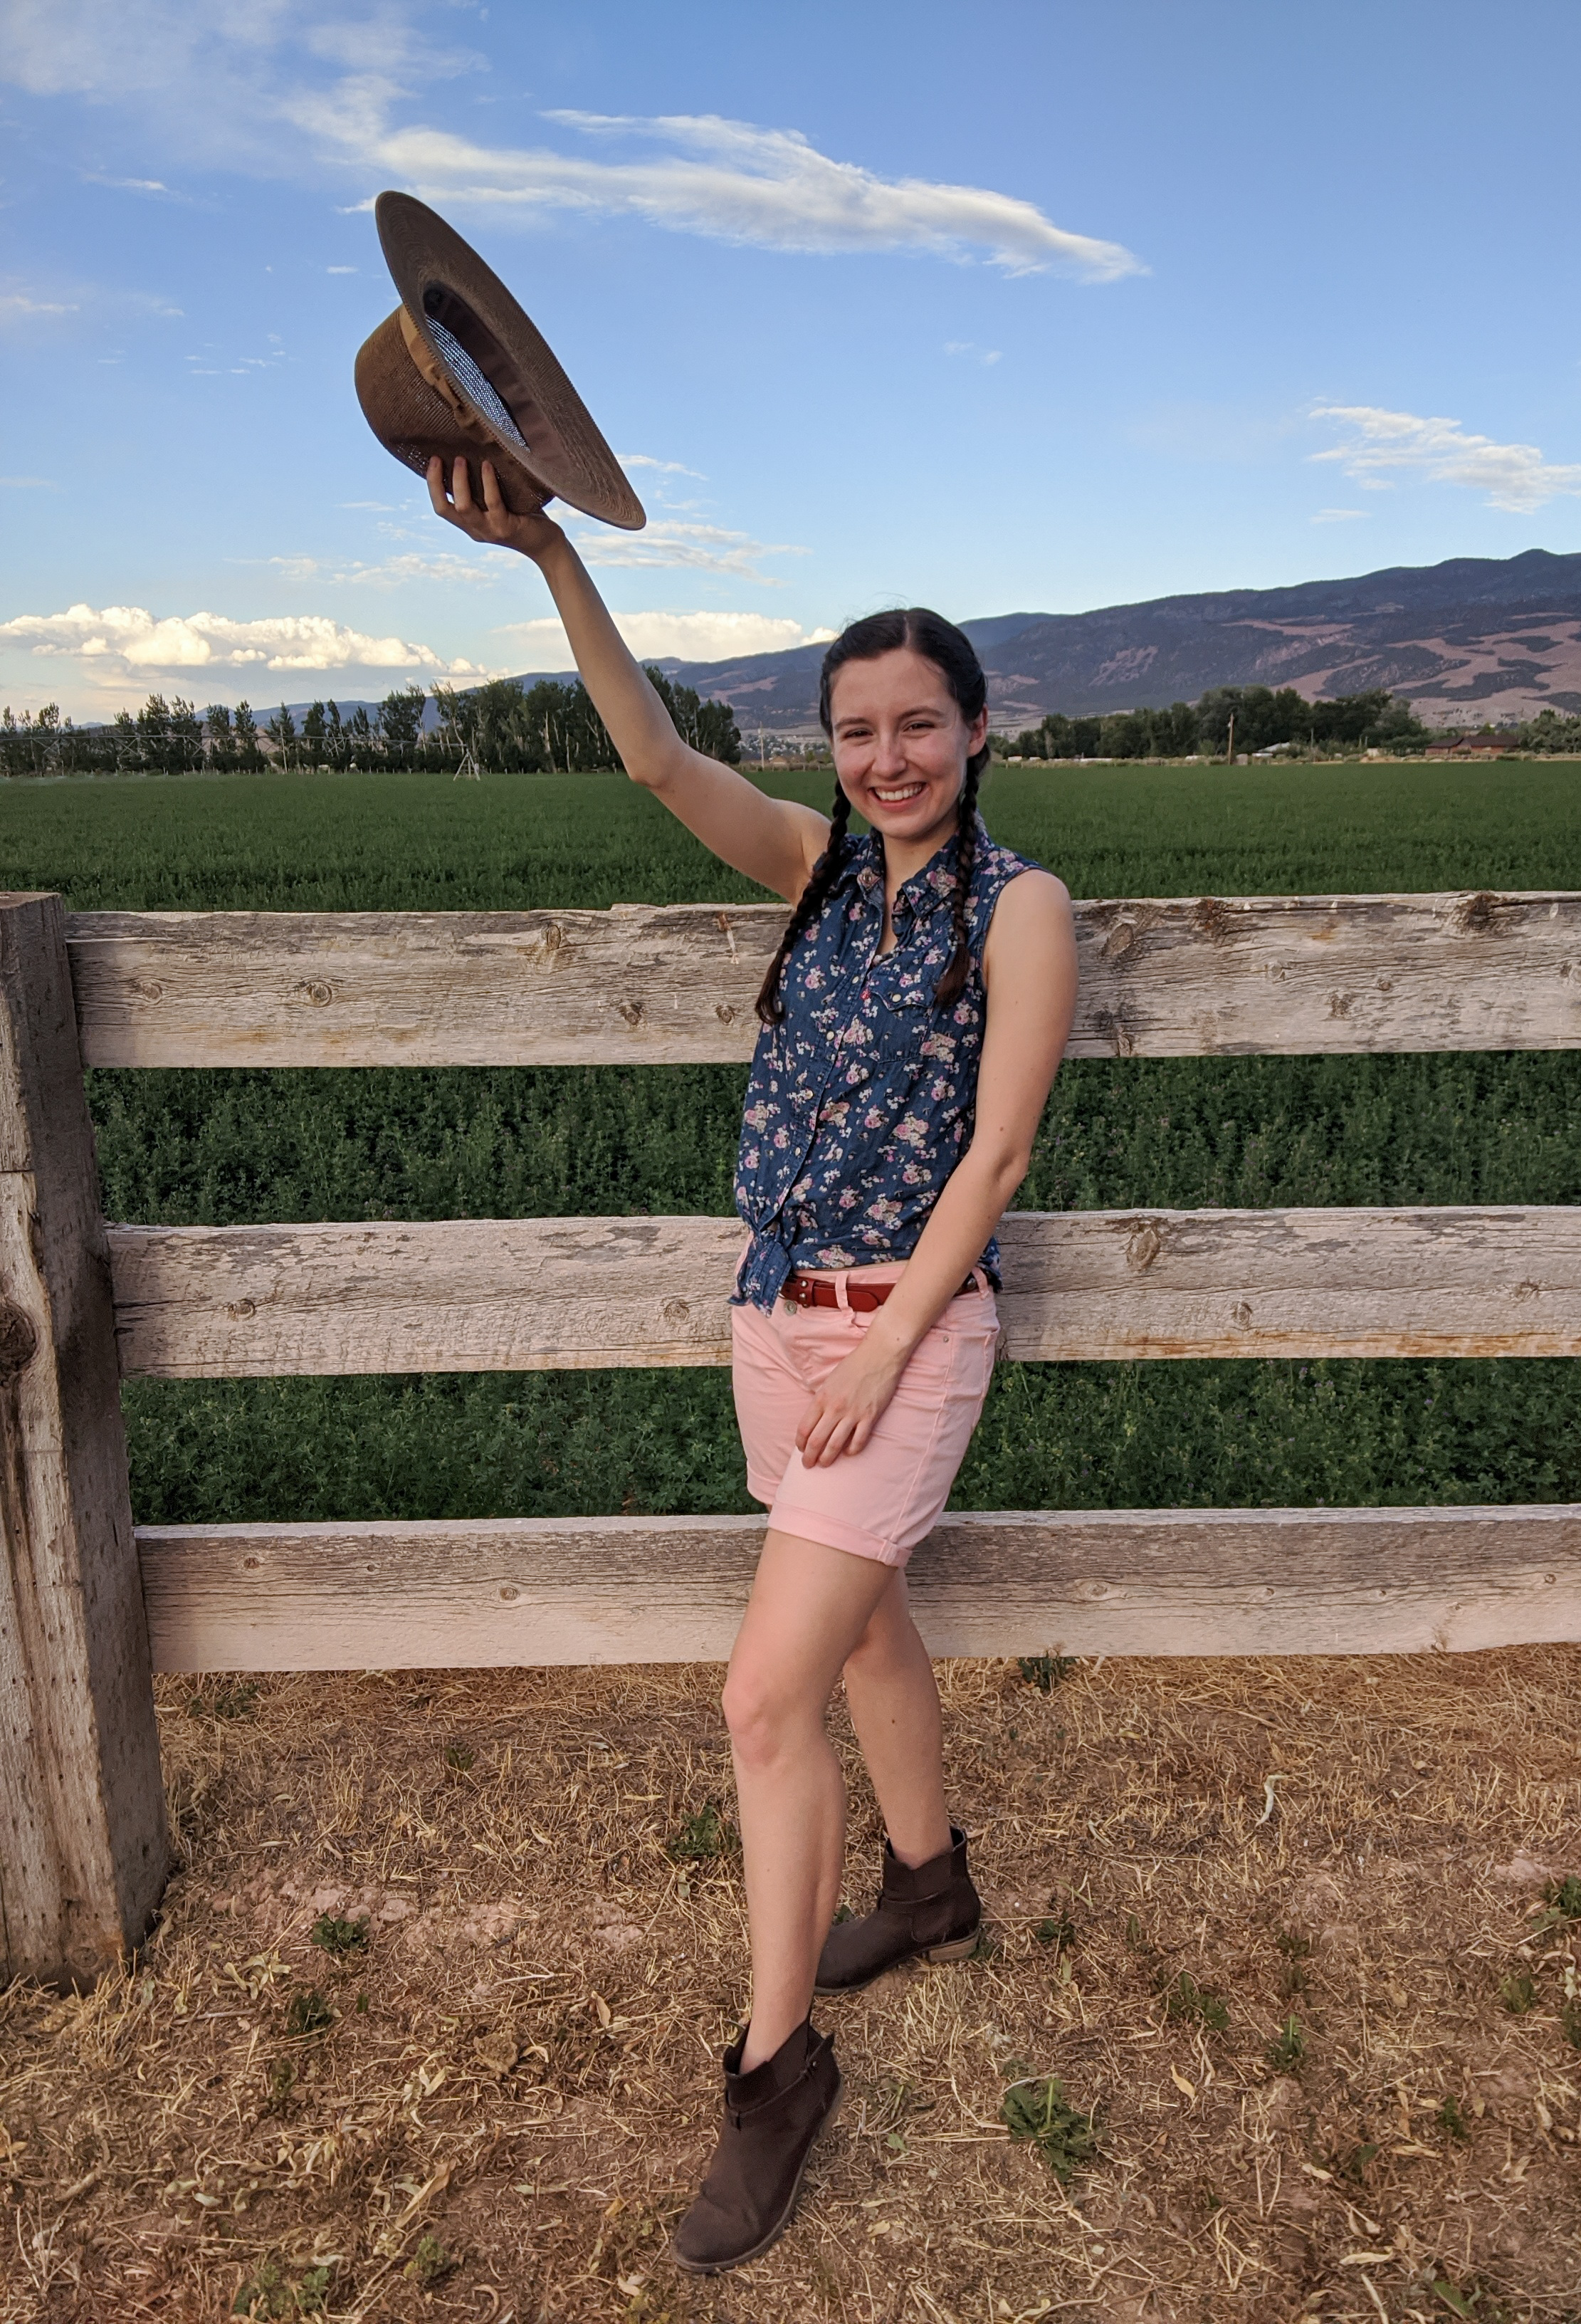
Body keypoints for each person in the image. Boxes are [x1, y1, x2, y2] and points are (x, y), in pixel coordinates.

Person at [426, 454, 1078, 2273]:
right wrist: (552, 550)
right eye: (857, 729)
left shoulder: (1014, 907)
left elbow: (999, 1155)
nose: (888, 758)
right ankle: (930, 1888)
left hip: (903, 1336)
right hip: (774, 1317)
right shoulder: (810, 877)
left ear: (973, 730)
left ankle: (779, 2068)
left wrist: (897, 1348)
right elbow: (651, 757)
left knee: (760, 1700)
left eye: (920, 726)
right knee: (862, 1623)